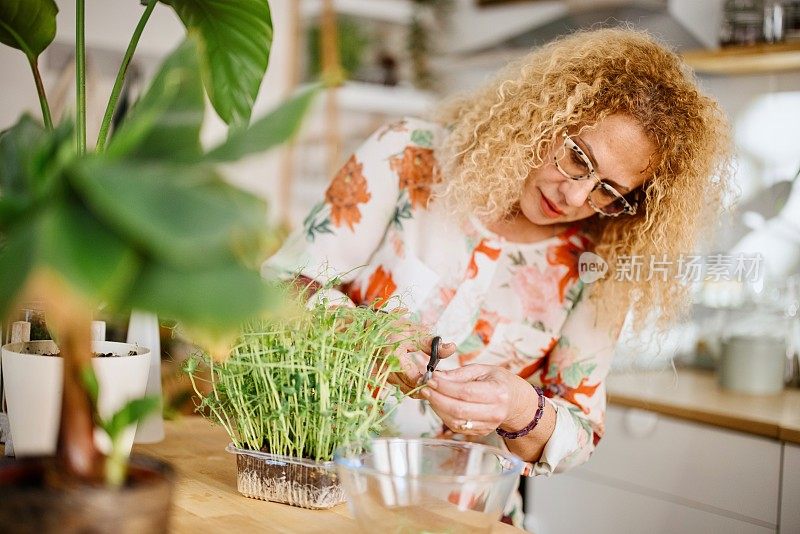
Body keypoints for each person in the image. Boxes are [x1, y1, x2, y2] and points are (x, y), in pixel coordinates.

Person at [264, 27, 732, 526]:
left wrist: (517, 407)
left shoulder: (600, 262)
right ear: (543, 114)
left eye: (608, 192)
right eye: (578, 159)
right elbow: (279, 286)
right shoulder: (410, 158)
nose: (577, 198)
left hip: (465, 518)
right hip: (325, 493)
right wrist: (371, 335)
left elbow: (579, 434)